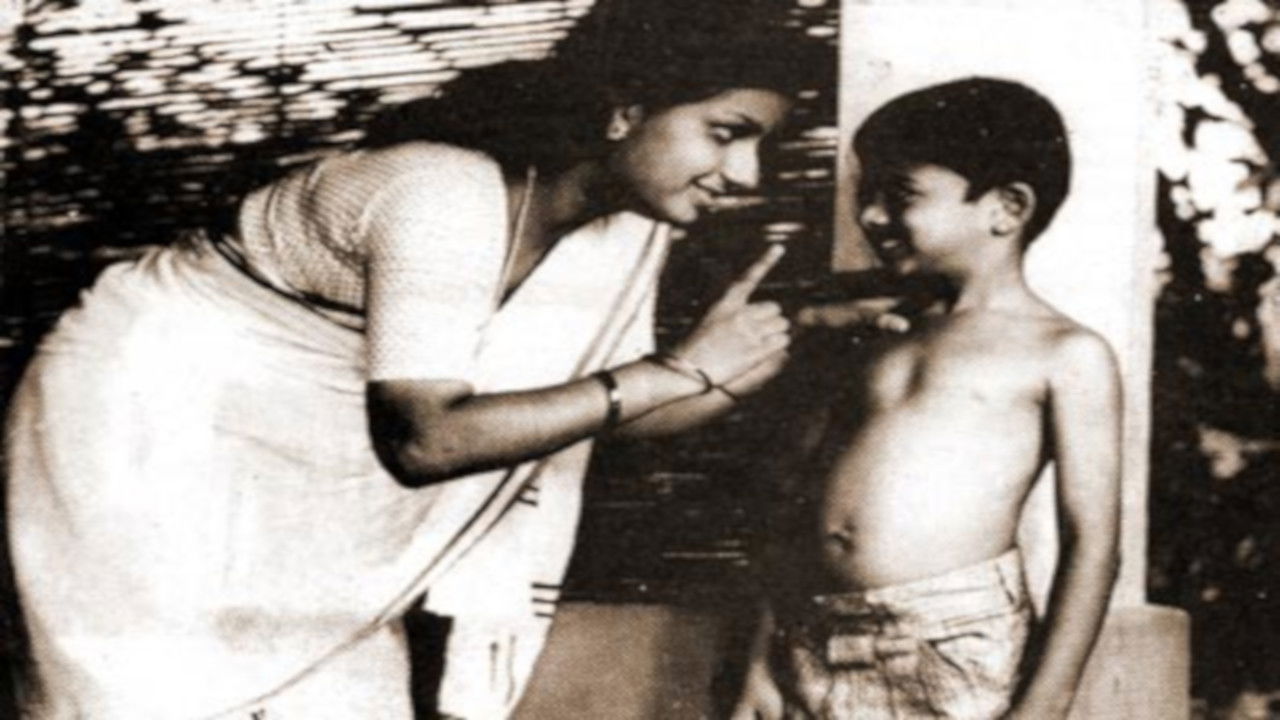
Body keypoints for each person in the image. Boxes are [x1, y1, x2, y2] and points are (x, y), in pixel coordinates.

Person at [3, 5, 818, 718]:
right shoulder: (440, 193)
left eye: (764, 146)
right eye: (726, 134)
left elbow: (609, 414)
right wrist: (673, 371)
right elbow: (427, 441)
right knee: (146, 686)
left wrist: (762, 350)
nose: (746, 175)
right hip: (144, 414)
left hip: (304, 444)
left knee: (345, 693)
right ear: (624, 110)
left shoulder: (625, 229)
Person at [732, 78, 1122, 719]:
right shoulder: (874, 334)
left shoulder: (1065, 352)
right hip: (813, 641)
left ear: (1007, 208)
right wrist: (759, 658)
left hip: (950, 651)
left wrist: (1043, 707)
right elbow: (796, 501)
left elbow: (1093, 544)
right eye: (867, 193)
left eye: (901, 194)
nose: (870, 216)